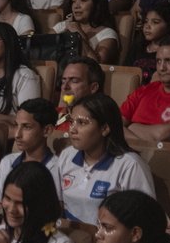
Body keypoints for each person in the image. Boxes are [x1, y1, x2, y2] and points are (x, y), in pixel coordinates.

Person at [58, 94, 154, 225]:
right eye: (71, 122)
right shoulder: (66, 155)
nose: (72, 129)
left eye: (82, 122)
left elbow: (145, 217)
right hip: (70, 237)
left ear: (104, 128)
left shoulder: (130, 165)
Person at [0, 98, 61, 207]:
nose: (17, 134)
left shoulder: (58, 168)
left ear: (47, 130)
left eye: (27, 127)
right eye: (17, 125)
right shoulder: (8, 162)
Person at [53, 0, 120, 65]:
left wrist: (79, 35)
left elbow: (97, 65)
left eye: (83, 0)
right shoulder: (63, 26)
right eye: (73, 1)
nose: (76, 6)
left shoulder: (107, 34)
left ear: (96, 4)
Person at [126, 2, 170, 85]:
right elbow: (125, 72)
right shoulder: (137, 47)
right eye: (146, 21)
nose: (147, 26)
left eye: (155, 22)